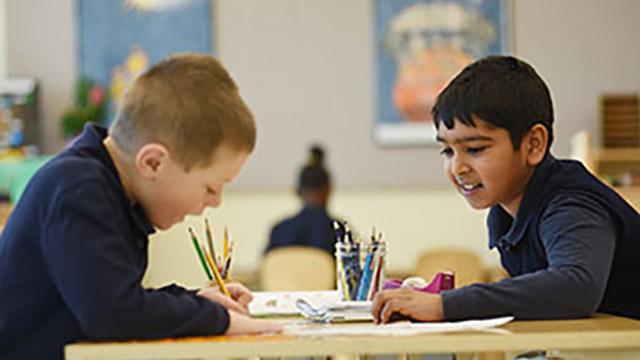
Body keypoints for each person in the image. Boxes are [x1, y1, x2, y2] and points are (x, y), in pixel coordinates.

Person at [0, 53, 281, 360]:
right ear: (153, 162)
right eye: (210, 188)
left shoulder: (112, 191)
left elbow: (114, 295)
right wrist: (220, 321)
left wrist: (196, 300)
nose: (214, 202)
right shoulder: (78, 189)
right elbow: (113, 314)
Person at [372, 55, 640, 323]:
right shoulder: (506, 212)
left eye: (475, 149)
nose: (458, 167)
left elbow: (576, 287)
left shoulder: (571, 203)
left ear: (534, 145)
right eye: (447, 151)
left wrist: (445, 306)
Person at [265, 145, 337, 256]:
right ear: (328, 190)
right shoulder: (339, 231)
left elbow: (268, 267)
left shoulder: (279, 230)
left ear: (297, 192)